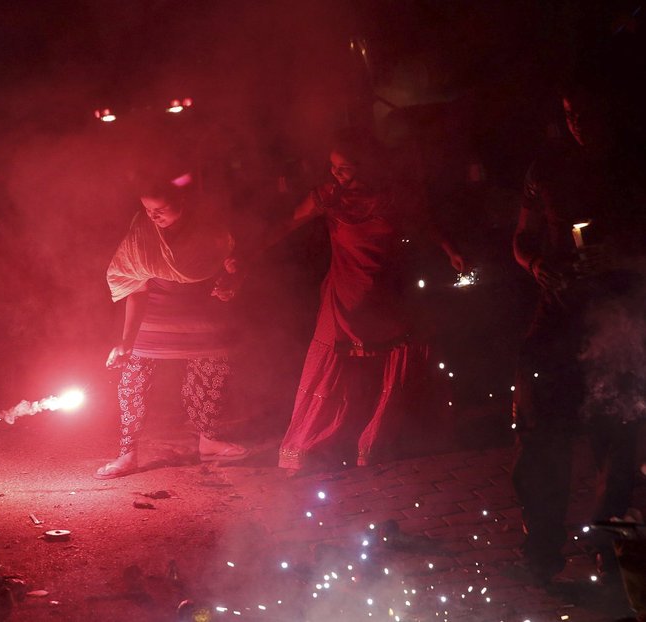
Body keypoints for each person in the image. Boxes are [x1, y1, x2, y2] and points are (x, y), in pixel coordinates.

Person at [255, 132, 465, 476]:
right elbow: (288, 222)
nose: (337, 175)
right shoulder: (328, 198)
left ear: (368, 166)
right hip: (343, 296)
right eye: (333, 167)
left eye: (345, 168)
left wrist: (451, 250)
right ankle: (323, 444)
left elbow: (426, 223)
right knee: (338, 369)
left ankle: (379, 441)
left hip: (388, 294)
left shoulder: (394, 196)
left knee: (391, 364)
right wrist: (247, 255)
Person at [510, 81, 646, 584]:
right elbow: (521, 240)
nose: (577, 125)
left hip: (620, 320)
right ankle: (540, 551)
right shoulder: (546, 169)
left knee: (616, 440)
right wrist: (538, 263)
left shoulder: (635, 164)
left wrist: (626, 258)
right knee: (540, 434)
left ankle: (610, 554)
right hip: (559, 316)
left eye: (586, 113)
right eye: (569, 114)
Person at [95, 174, 249, 479]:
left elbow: (234, 266)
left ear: (182, 202)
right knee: (132, 379)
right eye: (148, 210)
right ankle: (128, 453)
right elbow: (136, 291)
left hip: (201, 316)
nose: (154, 216)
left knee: (211, 371)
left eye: (161, 209)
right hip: (153, 317)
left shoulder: (210, 228)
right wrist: (126, 342)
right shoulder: (142, 232)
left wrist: (233, 279)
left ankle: (208, 441)